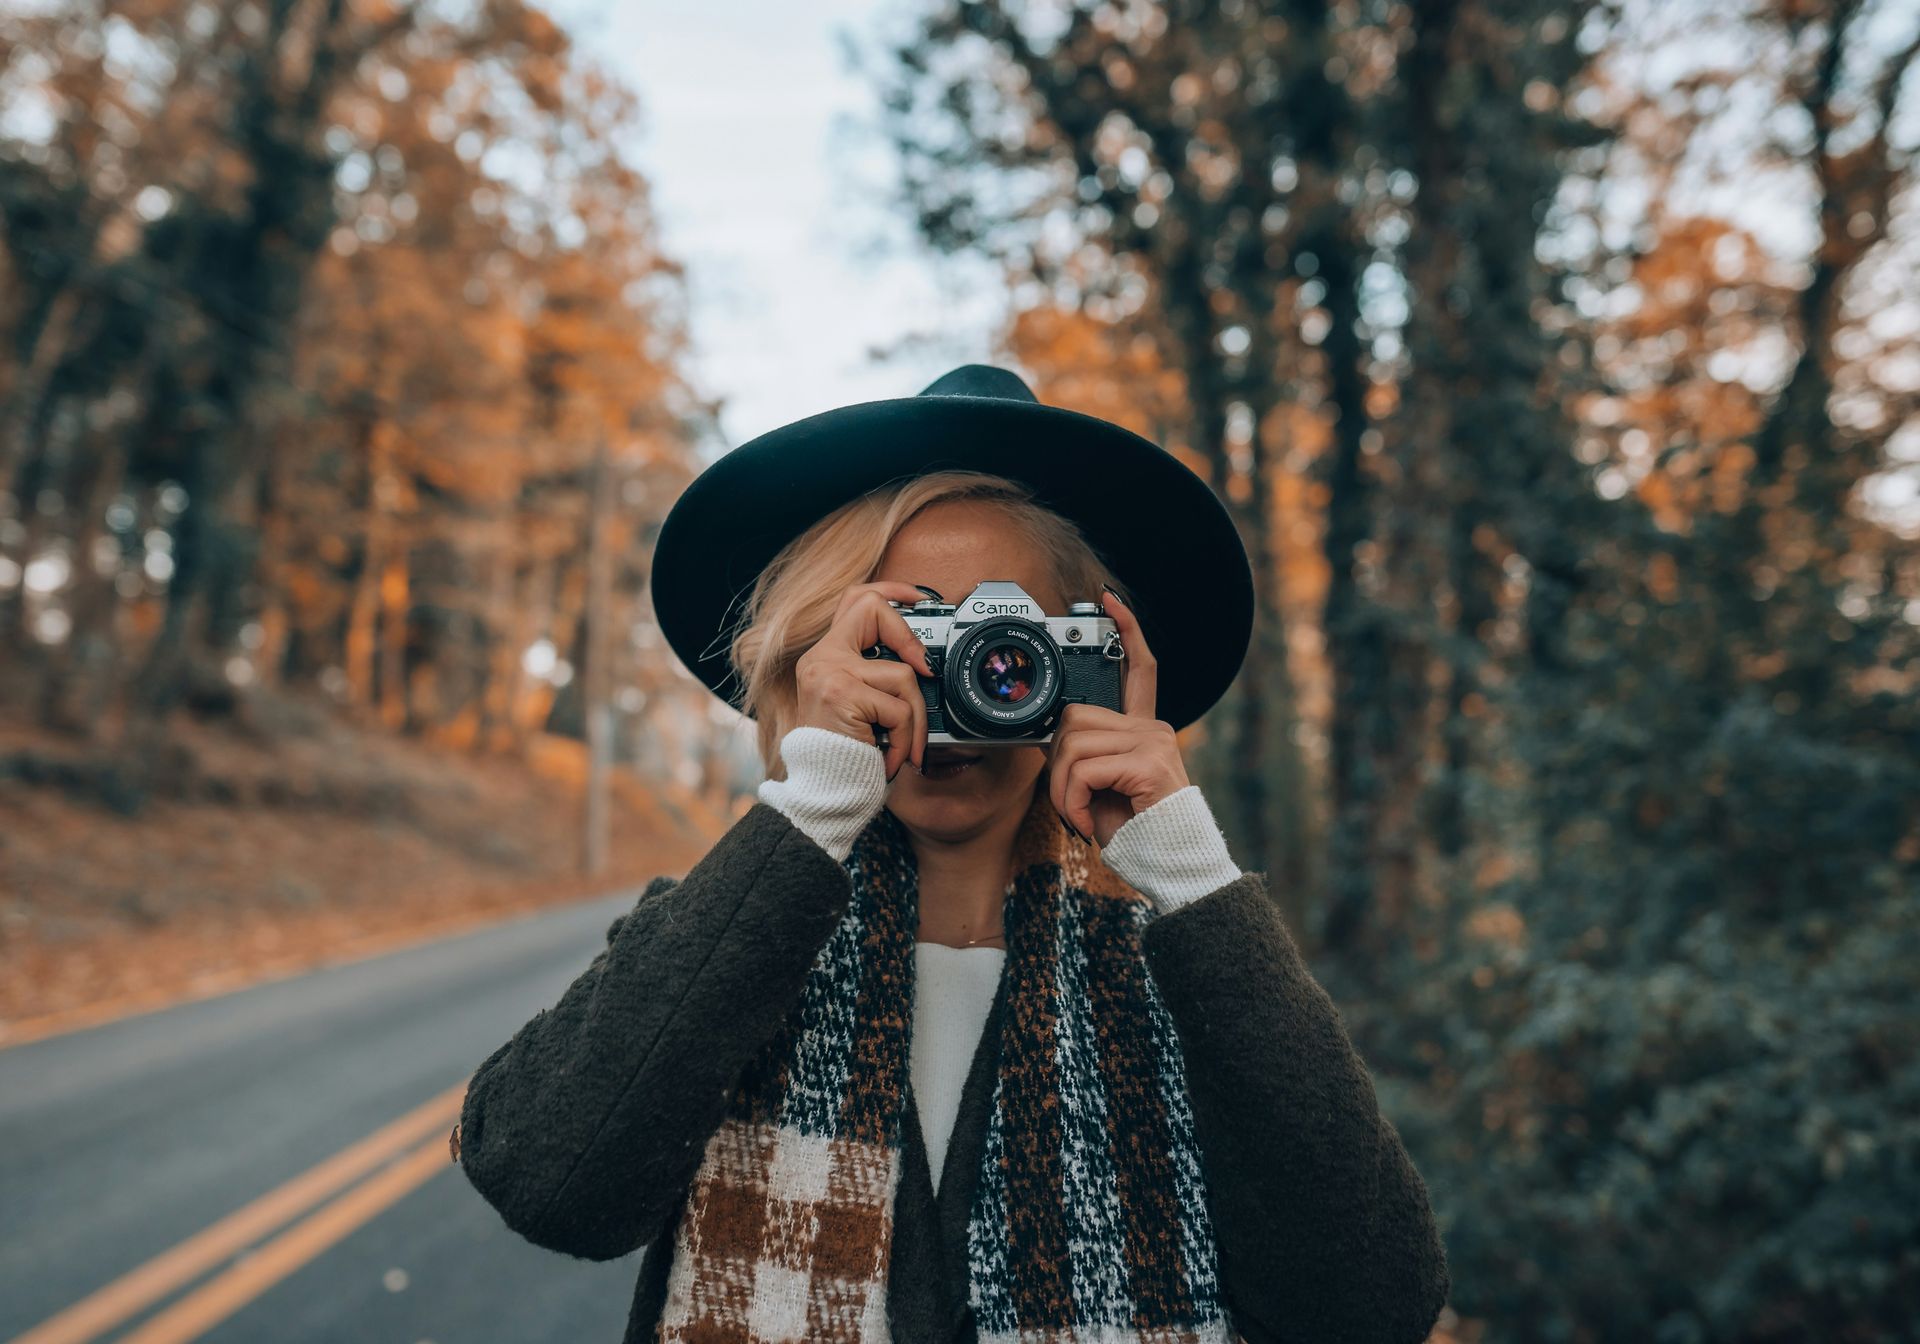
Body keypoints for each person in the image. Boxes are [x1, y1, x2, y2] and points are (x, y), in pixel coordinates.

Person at [451, 365, 1449, 1344]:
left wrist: (1188, 871)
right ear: (815, 662)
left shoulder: (1188, 972)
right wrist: (811, 808)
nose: (960, 678)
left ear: (1087, 669)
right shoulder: (721, 941)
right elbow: (552, 1186)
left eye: (1009, 646)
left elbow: (1368, 1305)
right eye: (904, 636)